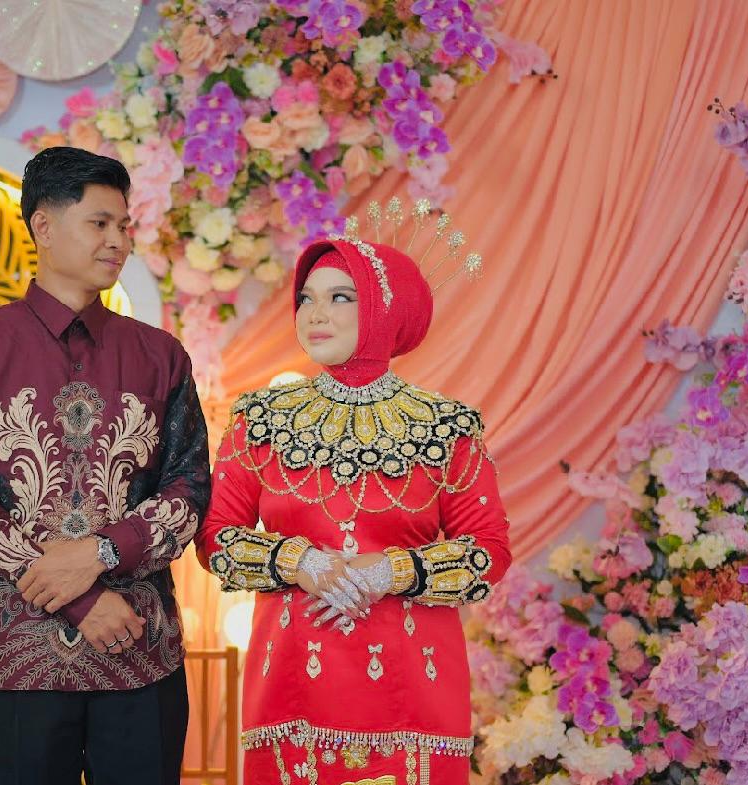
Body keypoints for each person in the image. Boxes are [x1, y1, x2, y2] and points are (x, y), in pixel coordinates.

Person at [194, 214, 511, 785]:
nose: (315, 314)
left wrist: (386, 572)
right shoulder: (261, 419)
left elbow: (488, 550)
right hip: (293, 673)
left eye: (341, 296)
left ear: (388, 309)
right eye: (306, 298)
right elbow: (215, 536)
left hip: (414, 680)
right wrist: (302, 563)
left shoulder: (446, 425)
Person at [0, 146, 210, 785]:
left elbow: (190, 488)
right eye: (100, 223)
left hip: (140, 653)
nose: (119, 241)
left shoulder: (161, 354)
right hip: (21, 660)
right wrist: (81, 598)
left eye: (124, 226)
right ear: (44, 227)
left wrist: (101, 553)